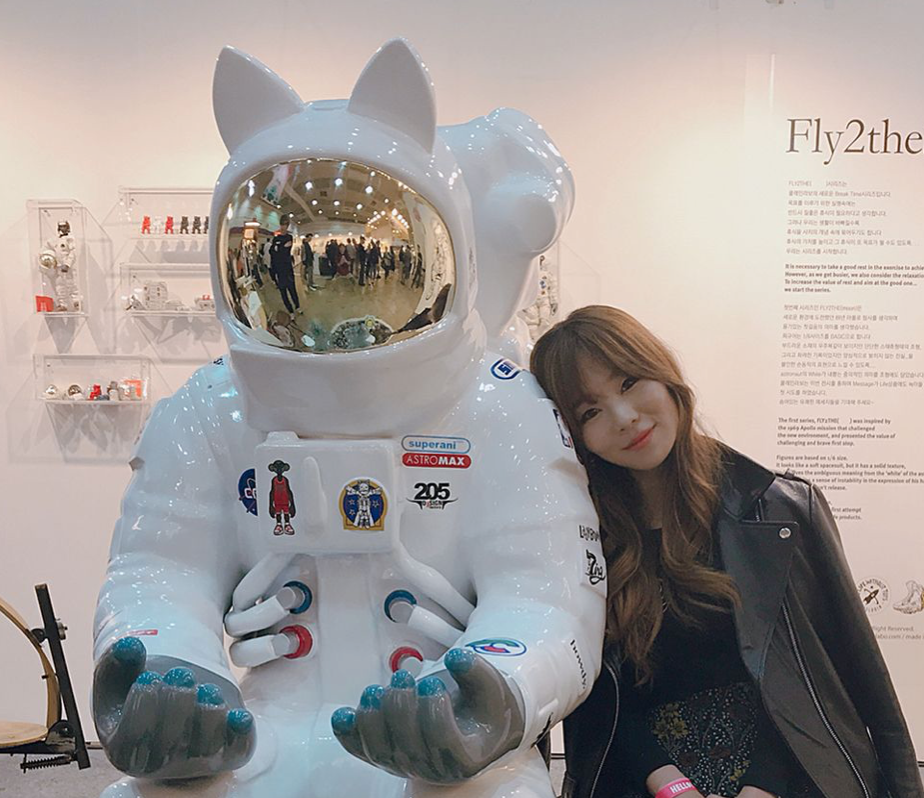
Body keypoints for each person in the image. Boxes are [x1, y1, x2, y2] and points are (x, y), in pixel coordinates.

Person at [530, 305, 922, 798]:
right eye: (591, 412)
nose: (625, 418)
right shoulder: (580, 536)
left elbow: (854, 675)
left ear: (663, 374)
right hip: (643, 781)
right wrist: (673, 786)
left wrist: (763, 785)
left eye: (629, 382)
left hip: (793, 775)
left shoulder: (781, 509)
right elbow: (594, 693)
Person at [269, 219, 300, 313]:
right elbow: (272, 252)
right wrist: (281, 248)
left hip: (287, 269)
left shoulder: (289, 237)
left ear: (287, 226)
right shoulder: (276, 238)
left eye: (285, 225)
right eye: (282, 225)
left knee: (292, 289)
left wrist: (278, 249)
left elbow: (284, 251)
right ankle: (290, 311)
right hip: (279, 269)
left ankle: (297, 306)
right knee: (283, 292)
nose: (283, 227)